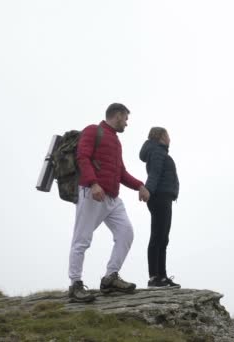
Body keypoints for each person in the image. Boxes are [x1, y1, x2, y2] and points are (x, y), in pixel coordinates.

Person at [67, 103, 150, 303]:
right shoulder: (92, 131)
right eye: (126, 118)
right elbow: (83, 158)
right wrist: (93, 183)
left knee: (126, 233)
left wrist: (139, 185)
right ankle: (75, 284)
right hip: (91, 193)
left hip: (112, 198)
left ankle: (110, 278)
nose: (127, 123)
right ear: (118, 115)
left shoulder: (116, 141)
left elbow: (120, 173)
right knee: (82, 239)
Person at [139, 127, 181, 288]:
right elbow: (154, 173)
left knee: (163, 238)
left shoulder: (159, 151)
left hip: (163, 197)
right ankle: (154, 277)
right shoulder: (157, 151)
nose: (170, 138)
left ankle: (161, 276)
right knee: (158, 237)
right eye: (168, 135)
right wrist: (148, 190)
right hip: (159, 197)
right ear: (162, 136)